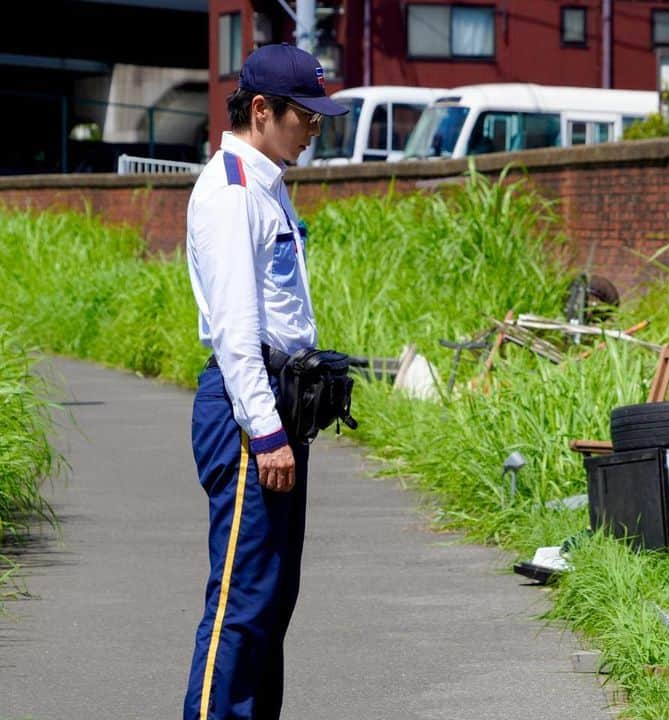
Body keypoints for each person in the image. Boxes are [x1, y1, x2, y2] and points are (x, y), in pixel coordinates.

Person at [183, 43, 347, 720]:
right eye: (304, 114)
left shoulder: (265, 183)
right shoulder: (229, 193)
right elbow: (235, 330)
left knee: (272, 599)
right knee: (240, 603)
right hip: (254, 414)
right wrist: (269, 430)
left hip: (278, 411)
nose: (315, 126)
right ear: (261, 109)